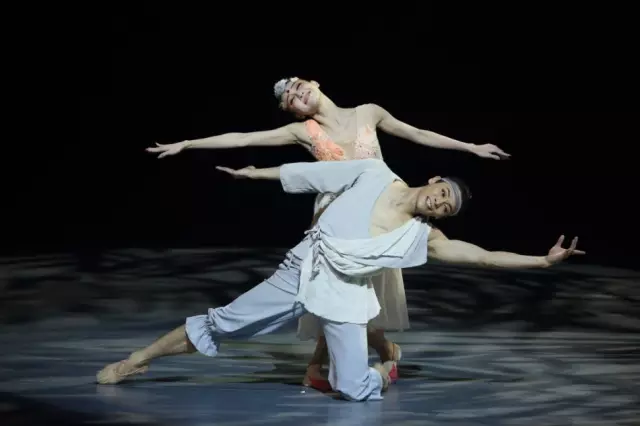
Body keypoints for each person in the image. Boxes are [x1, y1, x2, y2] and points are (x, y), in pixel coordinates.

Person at [97, 159, 582, 401]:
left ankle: (385, 367)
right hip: (303, 271)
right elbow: (312, 173)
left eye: (448, 208)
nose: (440, 202)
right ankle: (133, 361)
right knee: (222, 322)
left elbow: (483, 258)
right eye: (443, 193)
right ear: (435, 181)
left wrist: (542, 262)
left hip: (347, 295)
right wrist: (254, 174)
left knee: (352, 389)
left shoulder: (422, 236)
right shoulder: (374, 172)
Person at [145, 77, 510, 389]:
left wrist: (470, 146)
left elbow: (416, 133)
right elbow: (243, 139)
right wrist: (188, 144)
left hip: (381, 213)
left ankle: (346, 361)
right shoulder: (302, 132)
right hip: (336, 216)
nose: (298, 95)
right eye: (291, 99)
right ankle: (346, 362)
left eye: (299, 87)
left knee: (358, 303)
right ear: (293, 111)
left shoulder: (368, 112)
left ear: (314, 83)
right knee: (331, 295)